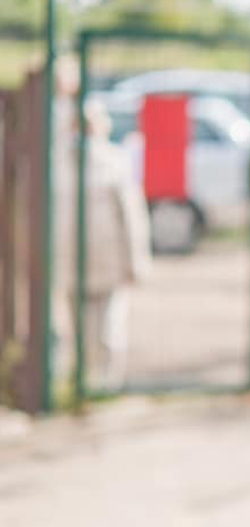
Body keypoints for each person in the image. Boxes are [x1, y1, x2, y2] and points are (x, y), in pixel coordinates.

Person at [54, 98, 152, 390]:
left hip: (106, 260)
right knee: (80, 330)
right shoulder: (59, 162)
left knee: (107, 329)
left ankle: (104, 385)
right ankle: (85, 383)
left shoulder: (114, 161)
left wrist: (135, 261)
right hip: (73, 258)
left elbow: (131, 218)